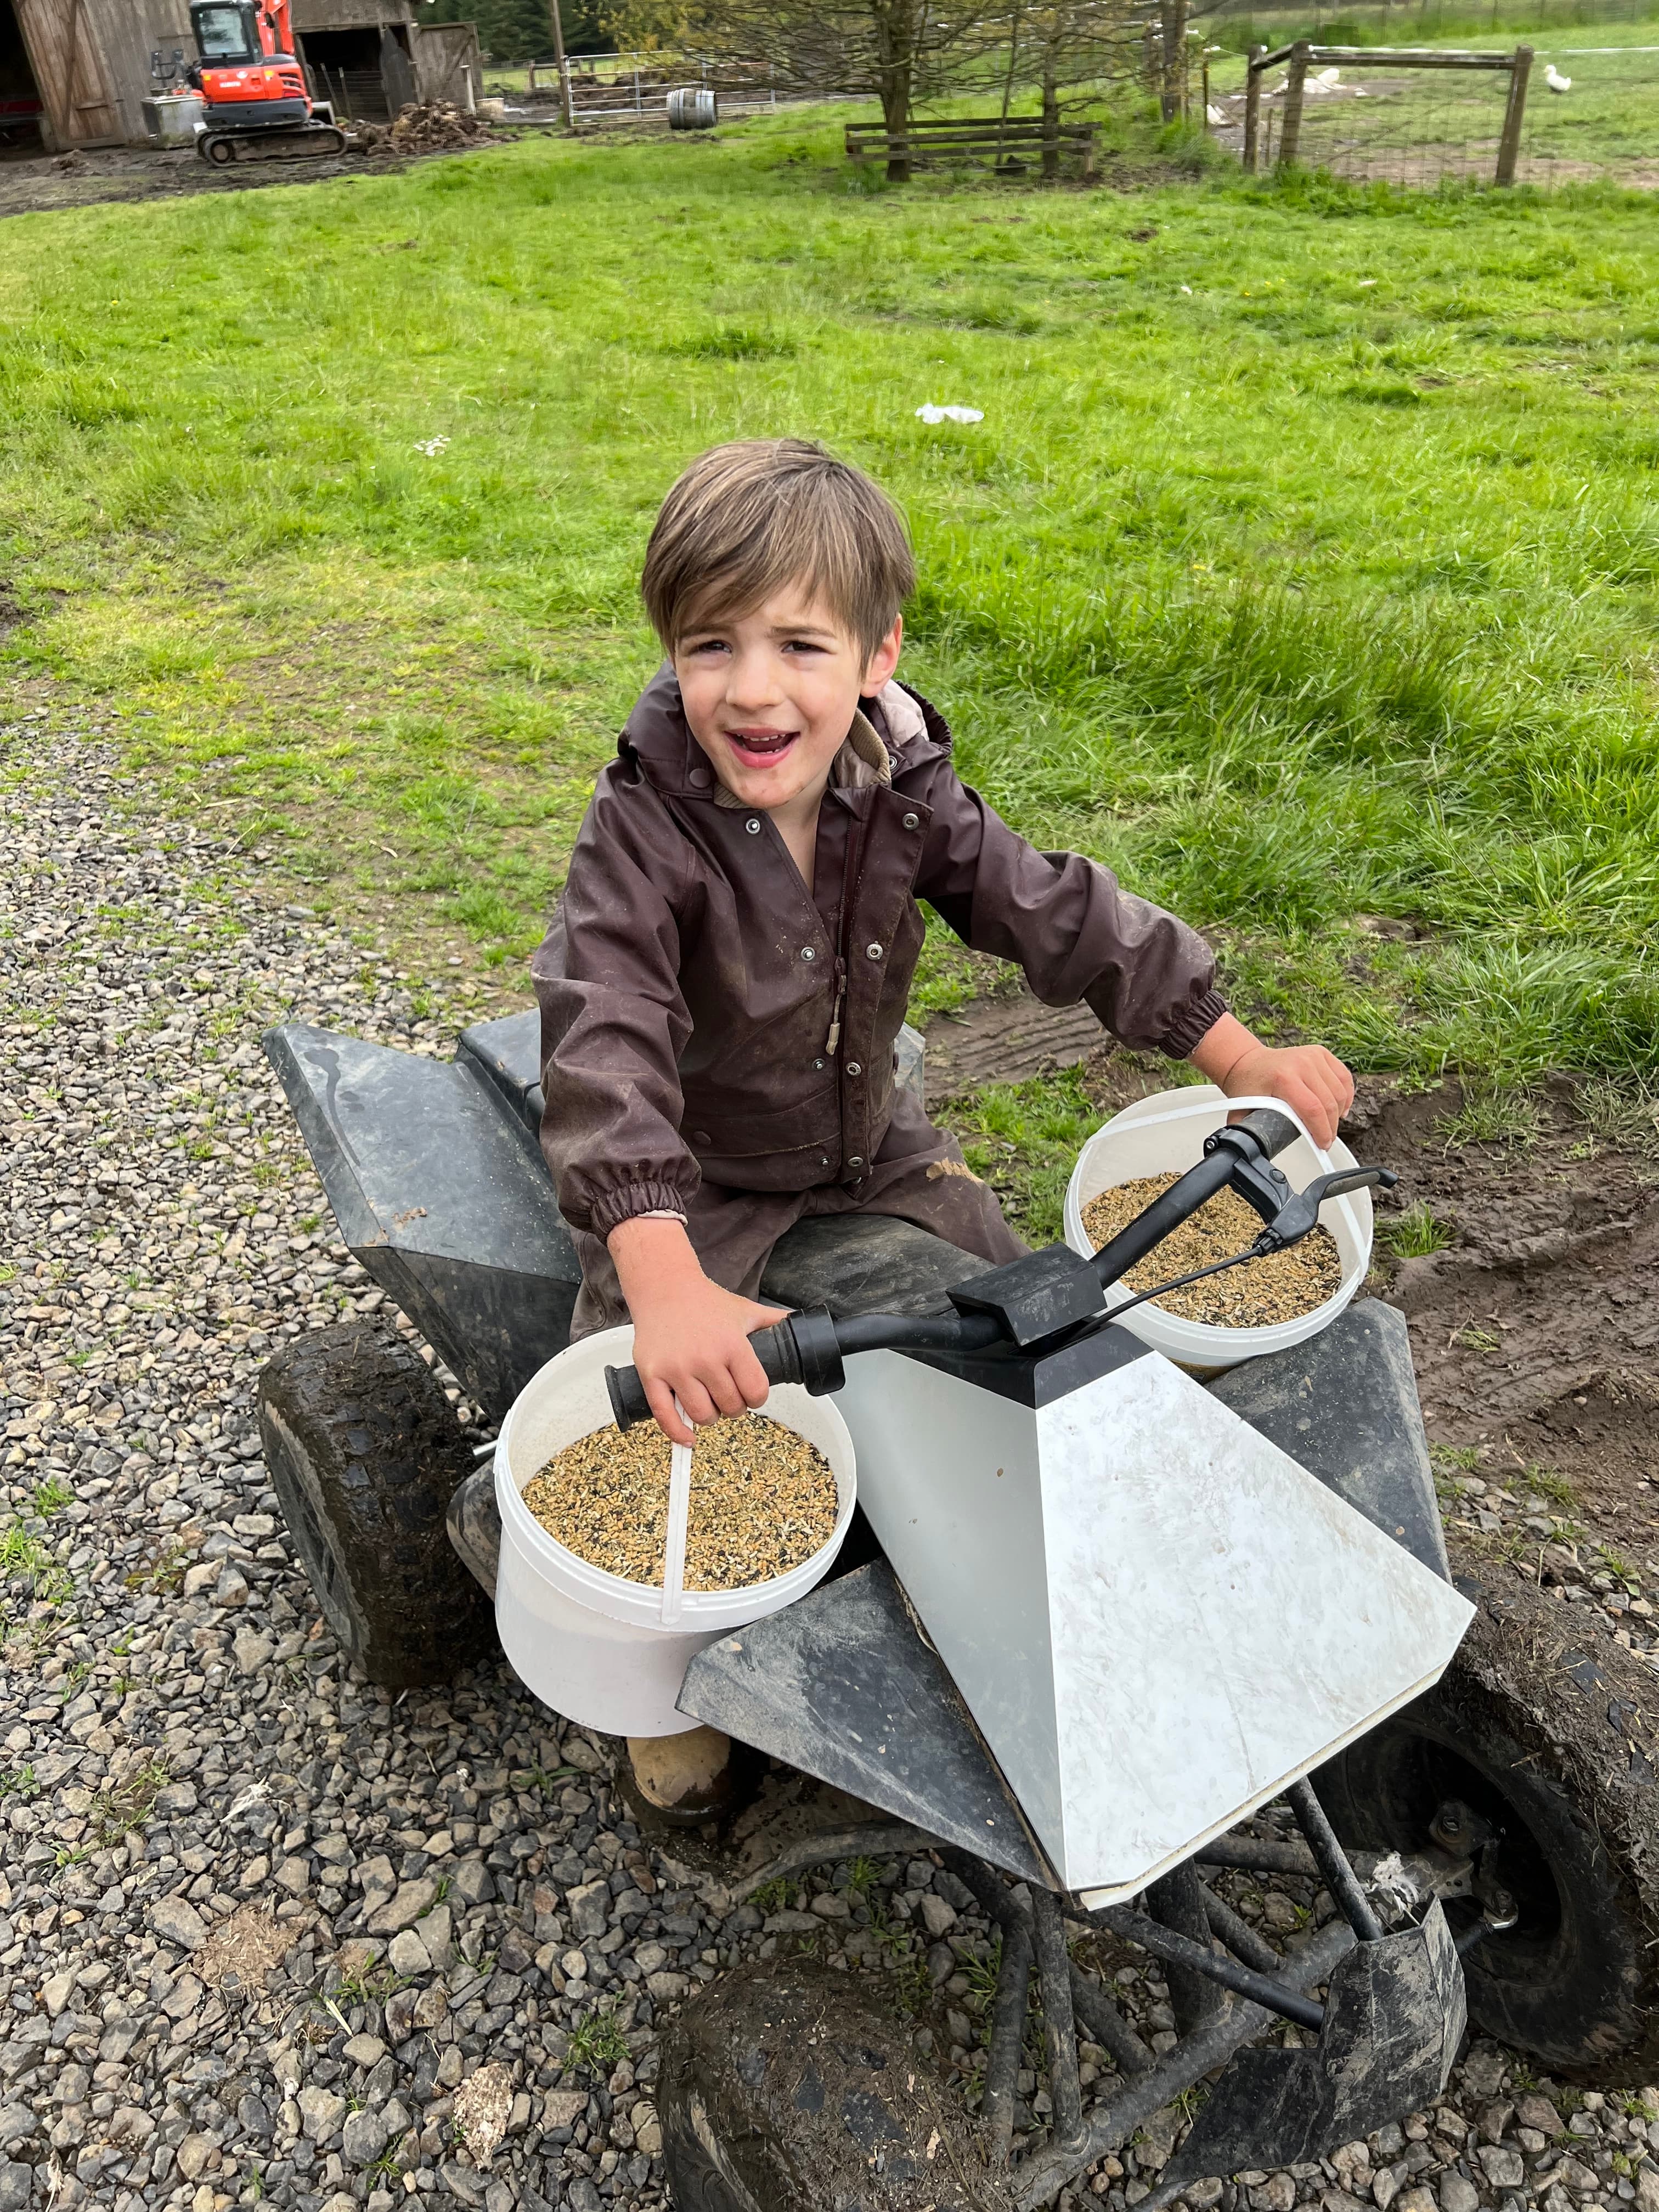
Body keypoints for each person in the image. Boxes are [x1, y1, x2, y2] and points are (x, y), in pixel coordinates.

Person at [533, 437, 1353, 1817]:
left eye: (799, 643)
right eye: (709, 644)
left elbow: (1056, 910)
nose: (750, 687)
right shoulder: (642, 835)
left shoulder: (902, 792)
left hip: (874, 1154)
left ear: (875, 656)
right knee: (645, 1419)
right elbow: (602, 1028)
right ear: (668, 652)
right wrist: (660, 1277)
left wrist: (1232, 1046)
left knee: (1015, 1326)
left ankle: (1021, 1576)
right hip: (704, 1187)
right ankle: (653, 1688)